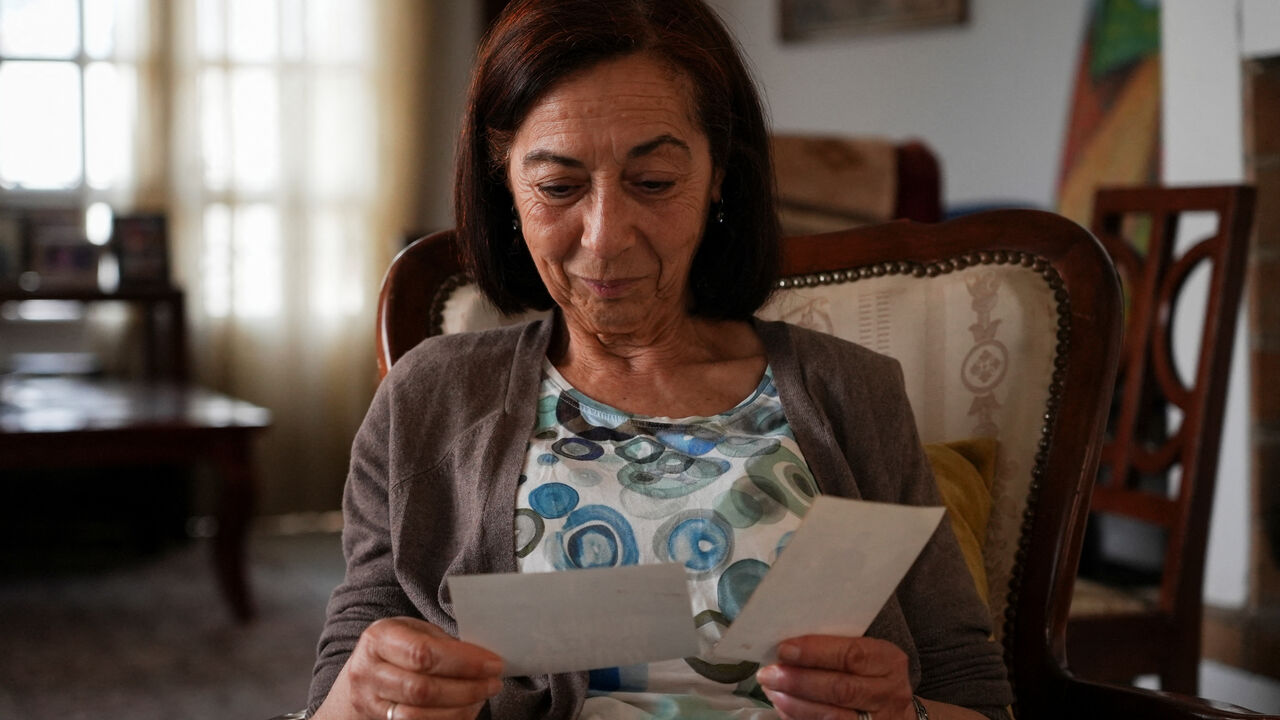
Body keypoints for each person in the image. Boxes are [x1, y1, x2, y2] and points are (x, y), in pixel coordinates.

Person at [308, 1, 1013, 718]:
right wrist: (365, 694)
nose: (607, 237)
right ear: (505, 188)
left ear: (718, 177)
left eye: (654, 183)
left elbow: (970, 684)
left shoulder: (855, 392)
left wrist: (907, 714)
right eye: (558, 187)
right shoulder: (431, 399)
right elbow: (343, 685)